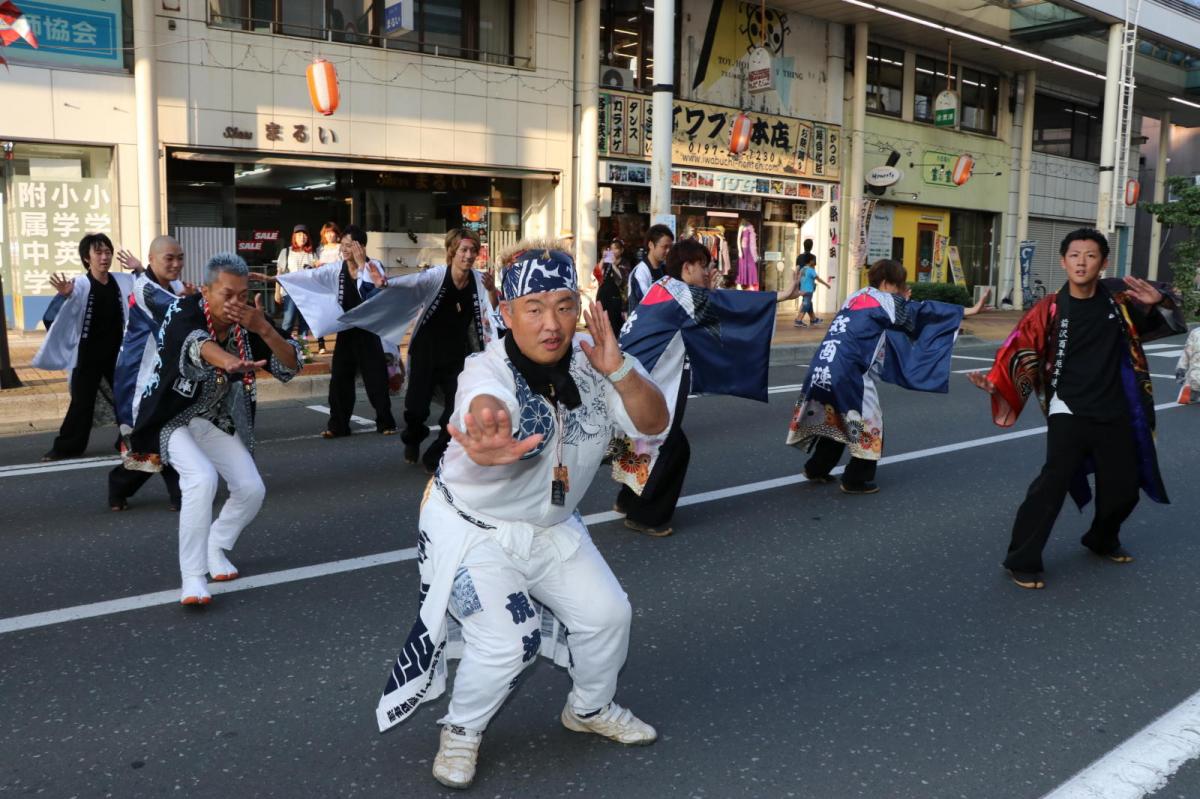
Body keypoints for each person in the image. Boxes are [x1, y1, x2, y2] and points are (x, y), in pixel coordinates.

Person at [374, 244, 668, 790]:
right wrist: (488, 434)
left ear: (578, 307)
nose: (550, 323)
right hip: (472, 529)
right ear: (506, 314)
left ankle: (588, 708)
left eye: (562, 305)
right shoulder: (485, 368)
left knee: (609, 616)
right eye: (532, 308)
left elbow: (654, 420)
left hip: (553, 526)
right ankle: (461, 730)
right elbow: (484, 405)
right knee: (510, 640)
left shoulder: (595, 355)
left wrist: (620, 369)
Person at [967, 228, 1185, 589]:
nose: (1082, 262)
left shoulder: (1120, 297)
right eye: (1074, 255)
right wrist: (999, 382)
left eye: (1091, 255)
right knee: (1051, 484)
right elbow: (1022, 348)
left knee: (1124, 488)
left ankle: (1101, 538)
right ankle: (1021, 558)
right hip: (1068, 409)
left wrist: (1158, 302)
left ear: (1104, 262)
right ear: (1063, 260)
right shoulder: (1050, 307)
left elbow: (1163, 323)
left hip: (1117, 409)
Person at [129, 252, 301, 605]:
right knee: (201, 479)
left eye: (242, 294)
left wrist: (265, 328)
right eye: (227, 294)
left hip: (210, 417)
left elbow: (291, 364)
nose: (236, 303)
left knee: (251, 488)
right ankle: (192, 576)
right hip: (168, 417)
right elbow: (197, 345)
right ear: (206, 291)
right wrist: (230, 362)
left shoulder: (247, 322)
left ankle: (216, 544)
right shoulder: (183, 311)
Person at [613, 238, 800, 536]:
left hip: (629, 377)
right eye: (704, 266)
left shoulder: (663, 287)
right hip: (646, 383)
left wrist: (708, 291)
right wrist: (783, 295)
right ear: (687, 268)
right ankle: (646, 516)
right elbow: (729, 307)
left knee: (647, 443)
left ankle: (627, 500)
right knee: (670, 447)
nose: (708, 271)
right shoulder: (682, 295)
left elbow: (706, 305)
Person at [787, 258, 989, 494]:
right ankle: (856, 479)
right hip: (850, 373)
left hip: (822, 366)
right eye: (897, 285)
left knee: (838, 417)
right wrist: (969, 310)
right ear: (885, 283)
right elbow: (922, 312)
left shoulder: (855, 297)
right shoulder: (887, 301)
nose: (899, 290)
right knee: (869, 422)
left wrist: (902, 301)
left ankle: (816, 468)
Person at [339, 228, 497, 472]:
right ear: (452, 252)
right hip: (426, 351)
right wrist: (385, 283)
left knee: (458, 411)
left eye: (473, 250)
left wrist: (492, 291)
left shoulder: (478, 280)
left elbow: (493, 312)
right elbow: (412, 283)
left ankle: (436, 456)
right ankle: (413, 438)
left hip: (457, 355)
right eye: (463, 250)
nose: (468, 255)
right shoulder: (436, 276)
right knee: (415, 409)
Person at [274, 225, 397, 438]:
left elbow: (377, 293)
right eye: (343, 245)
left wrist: (361, 264)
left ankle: (385, 421)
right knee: (340, 379)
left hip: (368, 330)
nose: (344, 249)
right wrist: (277, 280)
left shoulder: (374, 266)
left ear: (361, 246)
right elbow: (311, 276)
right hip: (346, 330)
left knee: (375, 378)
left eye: (350, 245)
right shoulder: (337, 269)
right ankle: (338, 425)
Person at [107, 236, 192, 511]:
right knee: (153, 438)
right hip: (140, 378)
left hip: (163, 376)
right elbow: (179, 313)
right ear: (151, 260)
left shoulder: (169, 286)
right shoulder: (146, 289)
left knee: (167, 432)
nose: (177, 263)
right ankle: (121, 485)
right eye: (169, 258)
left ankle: (179, 491)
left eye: (180, 257)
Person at [33, 233, 135, 462]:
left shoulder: (123, 281)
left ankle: (128, 441)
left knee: (127, 398)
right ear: (87, 258)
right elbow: (52, 318)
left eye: (107, 252)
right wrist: (65, 298)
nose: (104, 257)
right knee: (81, 403)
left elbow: (148, 288)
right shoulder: (78, 285)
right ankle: (66, 447)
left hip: (118, 354)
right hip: (87, 356)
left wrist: (138, 268)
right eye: (98, 253)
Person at [275, 224, 317, 340]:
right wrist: (277, 292)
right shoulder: (286, 252)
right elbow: (279, 273)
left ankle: (303, 349)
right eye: (299, 235)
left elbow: (316, 273)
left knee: (304, 322)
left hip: (307, 293)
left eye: (304, 235)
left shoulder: (312, 253)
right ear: (294, 237)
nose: (302, 237)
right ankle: (283, 345)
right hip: (290, 292)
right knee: (288, 322)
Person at [627, 225, 673, 312]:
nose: (668, 251)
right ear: (651, 245)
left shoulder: (665, 269)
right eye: (665, 247)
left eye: (670, 247)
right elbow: (648, 302)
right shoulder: (640, 272)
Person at [793, 252, 835, 328]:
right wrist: (827, 285)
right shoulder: (811, 270)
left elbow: (800, 279)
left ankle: (813, 319)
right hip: (808, 290)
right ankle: (798, 320)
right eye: (813, 260)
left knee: (809, 304)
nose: (814, 261)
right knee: (806, 305)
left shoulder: (803, 269)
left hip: (803, 290)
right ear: (810, 261)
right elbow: (818, 279)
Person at [1176, 323, 1200, 404]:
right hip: (1194, 377)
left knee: (1191, 392)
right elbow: (1187, 352)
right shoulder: (1195, 332)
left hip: (1193, 378)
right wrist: (1181, 368)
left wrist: (1181, 369)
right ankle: (1192, 392)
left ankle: (1192, 391)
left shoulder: (1195, 332)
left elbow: (1186, 353)